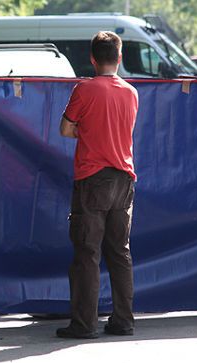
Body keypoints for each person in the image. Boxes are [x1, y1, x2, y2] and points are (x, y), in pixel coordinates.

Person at [56, 31, 139, 339]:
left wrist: (87, 132)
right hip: (125, 179)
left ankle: (84, 324)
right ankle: (123, 321)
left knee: (87, 253)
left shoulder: (84, 90)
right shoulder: (131, 92)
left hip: (93, 179)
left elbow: (66, 129)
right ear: (119, 58)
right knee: (120, 252)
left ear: (92, 58)